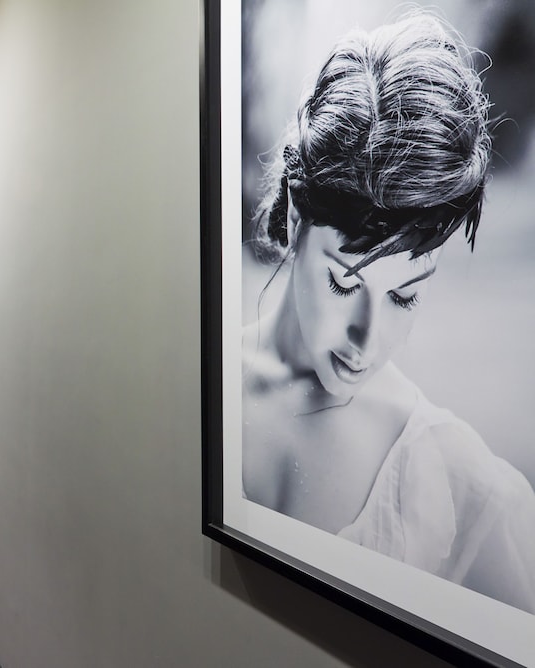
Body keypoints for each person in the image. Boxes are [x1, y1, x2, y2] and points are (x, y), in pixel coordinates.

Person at [242, 12, 535, 612]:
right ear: (295, 218)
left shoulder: (463, 491)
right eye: (344, 283)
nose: (367, 340)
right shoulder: (197, 382)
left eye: (405, 296)